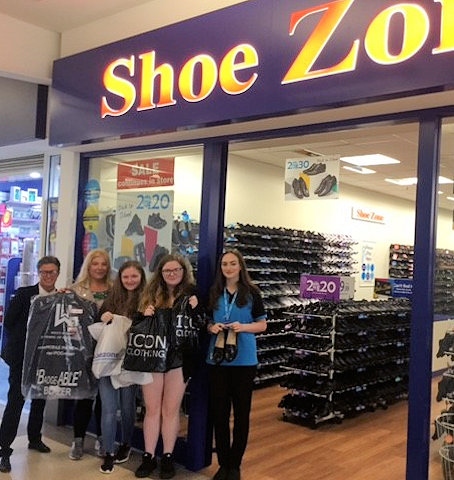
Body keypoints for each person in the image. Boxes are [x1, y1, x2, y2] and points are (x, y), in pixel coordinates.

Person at [135, 253, 203, 480]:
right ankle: (148, 456)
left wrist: (196, 310)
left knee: (171, 410)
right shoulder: (150, 295)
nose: (172, 274)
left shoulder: (193, 295)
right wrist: (144, 315)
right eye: (167, 271)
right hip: (153, 356)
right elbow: (137, 326)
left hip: (180, 360)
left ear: (183, 272)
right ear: (161, 274)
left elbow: (202, 325)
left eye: (176, 270)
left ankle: (167, 456)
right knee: (152, 409)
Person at [206, 249, 267, 480]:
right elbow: (207, 321)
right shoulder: (214, 292)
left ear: (240, 267)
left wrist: (243, 326)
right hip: (218, 360)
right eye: (224, 264)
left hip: (244, 361)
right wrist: (211, 327)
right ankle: (223, 463)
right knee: (220, 415)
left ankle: (235, 464)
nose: (228, 268)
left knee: (241, 414)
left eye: (233, 264)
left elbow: (262, 326)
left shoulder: (252, 293)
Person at [0, 256, 61, 473]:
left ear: (58, 273)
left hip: (47, 357)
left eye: (52, 272)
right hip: (22, 358)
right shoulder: (25, 294)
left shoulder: (62, 299)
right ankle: (4, 450)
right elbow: (8, 322)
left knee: (40, 398)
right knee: (16, 400)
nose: (48, 276)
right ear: (38, 273)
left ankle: (35, 439)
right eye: (44, 272)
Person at [97, 260, 147, 474]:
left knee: (127, 407)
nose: (129, 280)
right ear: (120, 278)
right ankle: (108, 451)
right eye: (125, 276)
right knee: (108, 409)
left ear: (141, 277)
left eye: (134, 276)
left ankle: (126, 443)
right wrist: (104, 317)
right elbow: (99, 322)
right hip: (108, 360)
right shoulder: (112, 298)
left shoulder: (147, 299)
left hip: (131, 361)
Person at [68, 249, 113, 460]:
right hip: (83, 349)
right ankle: (78, 441)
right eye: (95, 264)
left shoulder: (115, 289)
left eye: (104, 264)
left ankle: (103, 439)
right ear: (88, 265)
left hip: (108, 349)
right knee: (84, 397)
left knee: (105, 398)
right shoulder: (76, 289)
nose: (100, 268)